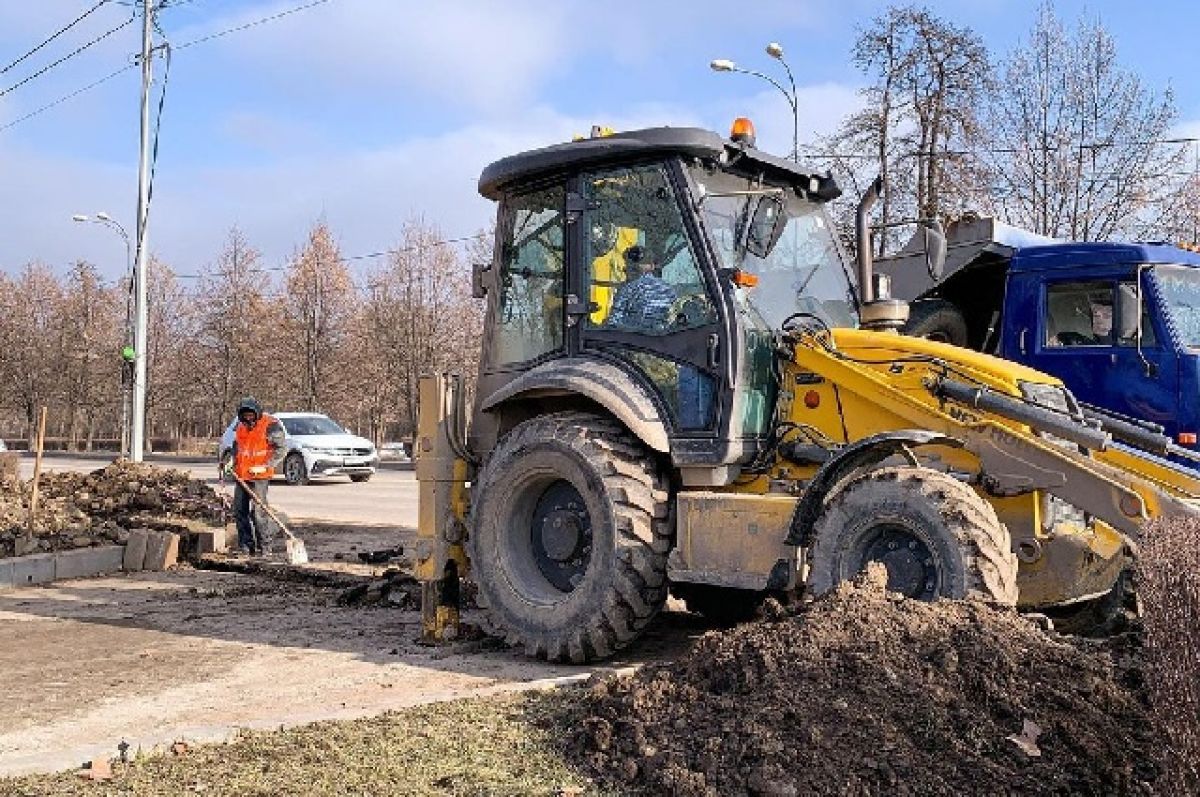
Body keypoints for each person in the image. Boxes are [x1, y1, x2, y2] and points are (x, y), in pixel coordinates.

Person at [224, 397, 287, 557]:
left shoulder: (271, 425)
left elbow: (281, 450)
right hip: (242, 475)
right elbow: (237, 447)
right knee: (239, 510)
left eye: (251, 415)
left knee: (259, 512)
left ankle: (265, 547)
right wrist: (230, 460)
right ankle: (246, 546)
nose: (248, 418)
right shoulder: (241, 427)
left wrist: (266, 465)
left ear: (256, 412)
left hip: (260, 476)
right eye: (245, 416)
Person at [608, 245, 677, 330]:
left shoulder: (627, 290)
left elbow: (614, 323)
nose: (625, 268)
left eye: (630, 265)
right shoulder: (668, 289)